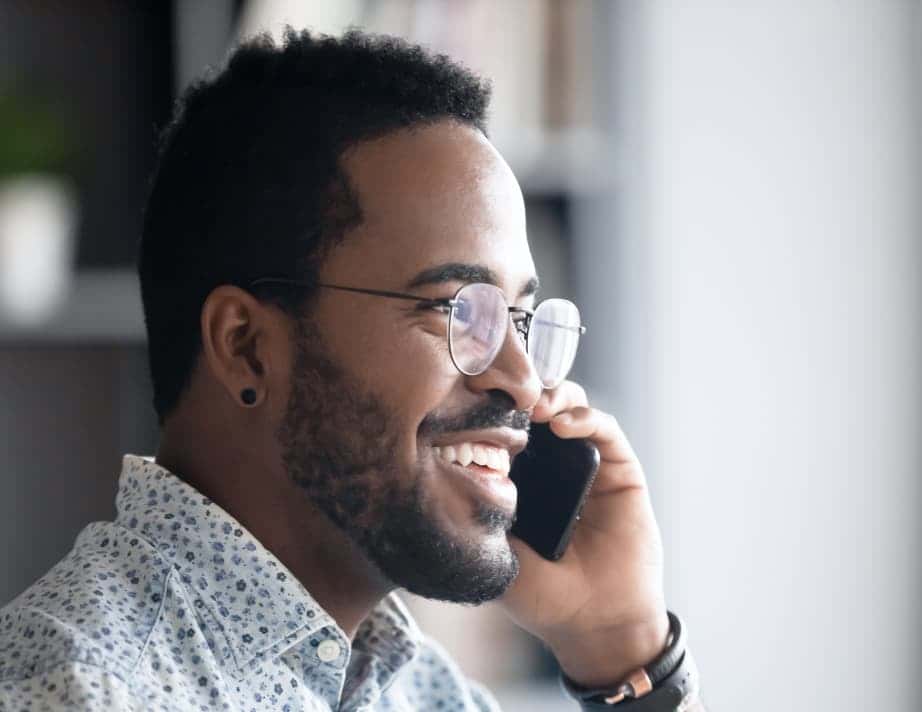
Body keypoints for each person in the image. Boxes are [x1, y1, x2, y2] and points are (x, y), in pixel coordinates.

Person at [0, 30, 703, 711]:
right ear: (246, 347)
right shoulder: (83, 693)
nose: (524, 383)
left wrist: (623, 650)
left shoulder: (419, 690)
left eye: (520, 317)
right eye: (459, 311)